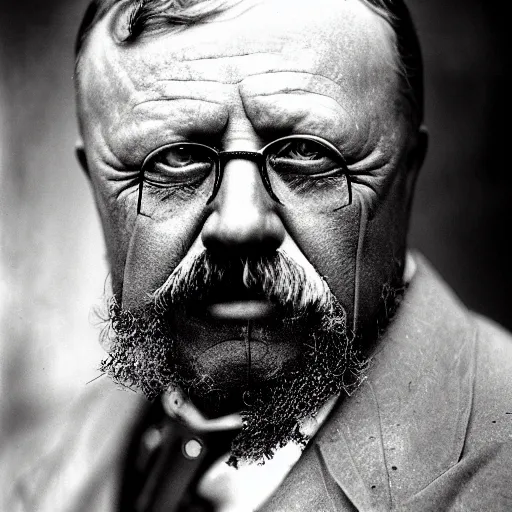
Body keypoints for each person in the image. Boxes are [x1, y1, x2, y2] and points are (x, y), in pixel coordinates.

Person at [3, 0, 512, 510]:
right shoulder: (36, 466)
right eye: (175, 158)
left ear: (407, 176)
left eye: (308, 152)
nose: (241, 223)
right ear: (93, 181)